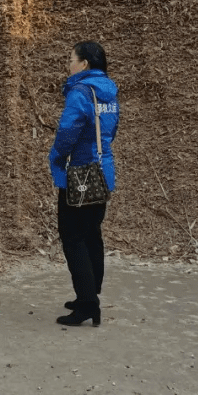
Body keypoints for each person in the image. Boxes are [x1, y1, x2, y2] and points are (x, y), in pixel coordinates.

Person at [48, 41, 119, 327]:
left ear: (85, 64)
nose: (69, 64)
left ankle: (88, 304)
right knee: (91, 235)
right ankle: (88, 294)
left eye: (71, 59)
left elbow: (68, 130)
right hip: (103, 171)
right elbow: (111, 128)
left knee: (73, 237)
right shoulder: (109, 92)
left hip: (80, 173)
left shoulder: (80, 92)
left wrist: (56, 156)